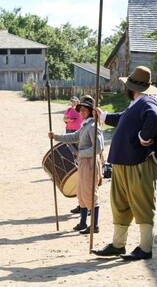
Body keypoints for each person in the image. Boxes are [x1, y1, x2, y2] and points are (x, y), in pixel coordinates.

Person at [91, 66, 157, 261]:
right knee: (120, 204)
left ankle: (145, 248)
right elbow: (123, 119)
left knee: (142, 204)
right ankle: (118, 245)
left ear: (132, 87)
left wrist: (143, 137)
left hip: (138, 162)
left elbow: (155, 119)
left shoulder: (149, 101)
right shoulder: (136, 104)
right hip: (124, 161)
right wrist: (103, 116)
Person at [49, 98, 103, 234]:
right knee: (81, 193)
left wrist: (80, 153)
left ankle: (94, 225)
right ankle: (83, 222)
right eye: (81, 110)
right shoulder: (85, 126)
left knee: (90, 193)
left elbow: (98, 148)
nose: (82, 112)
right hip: (83, 162)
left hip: (90, 163)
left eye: (85, 110)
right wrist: (56, 137)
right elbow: (73, 136)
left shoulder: (93, 126)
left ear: (91, 111)